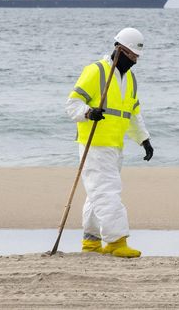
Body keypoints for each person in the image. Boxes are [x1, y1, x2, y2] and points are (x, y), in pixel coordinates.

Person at [65, 27, 155, 258]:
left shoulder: (130, 79)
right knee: (107, 192)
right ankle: (116, 241)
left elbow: (133, 113)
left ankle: (91, 242)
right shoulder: (96, 71)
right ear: (118, 50)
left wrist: (144, 140)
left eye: (136, 58)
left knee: (97, 193)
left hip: (115, 145)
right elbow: (72, 105)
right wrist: (88, 112)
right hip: (94, 144)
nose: (134, 61)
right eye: (131, 56)